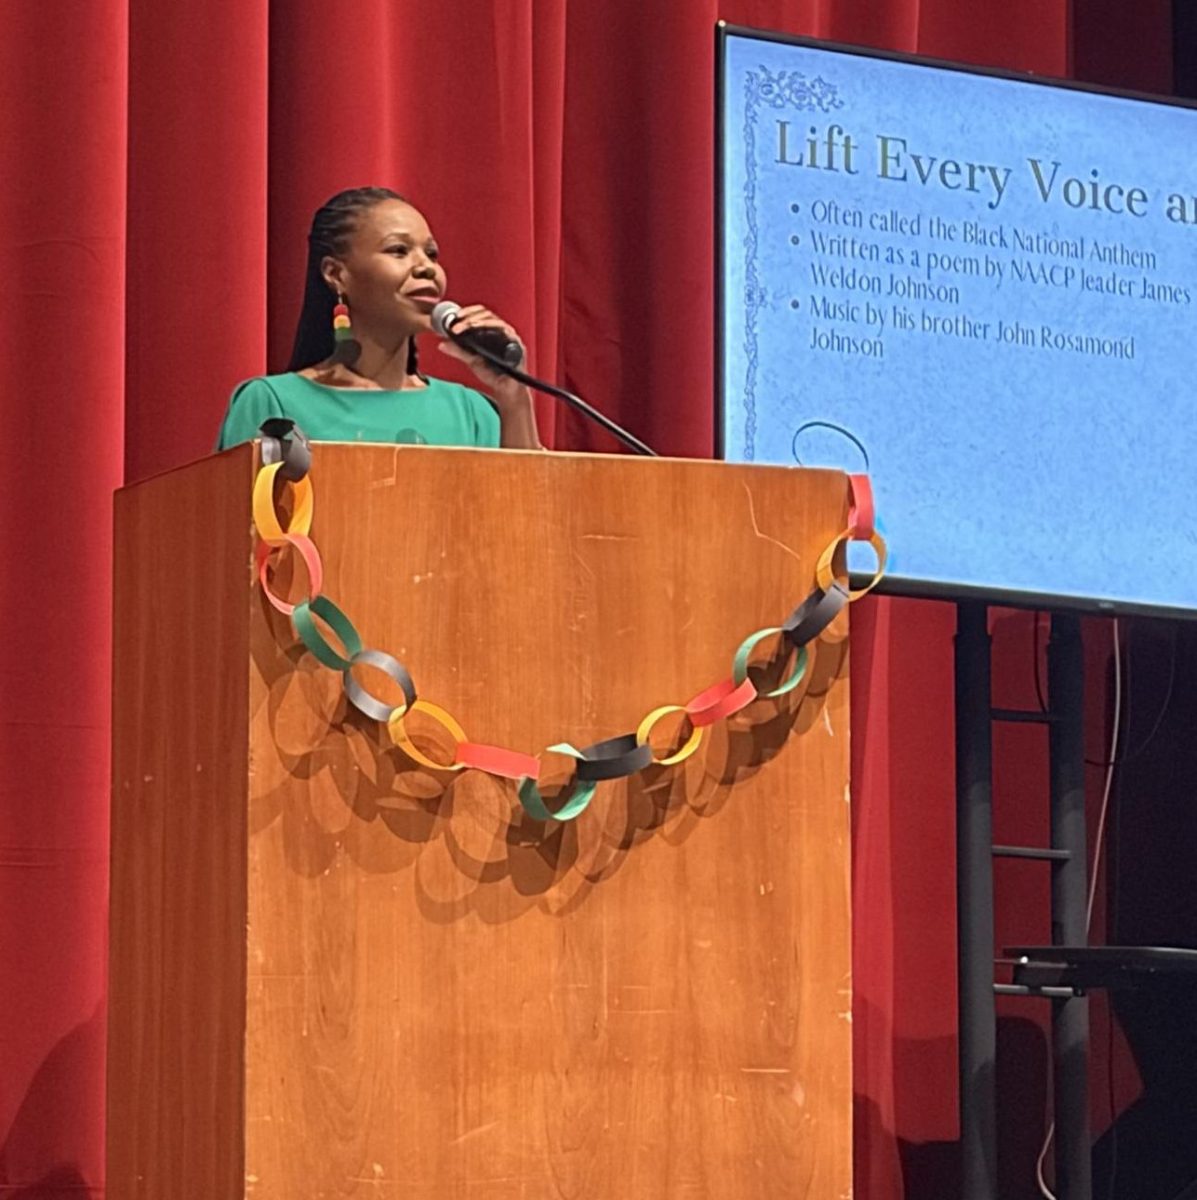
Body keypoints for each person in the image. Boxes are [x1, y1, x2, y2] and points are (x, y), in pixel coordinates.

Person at [215, 186, 542, 451]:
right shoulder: (275, 402)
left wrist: (514, 396)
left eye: (431, 253)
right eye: (398, 250)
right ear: (336, 274)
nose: (426, 267)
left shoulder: (472, 412)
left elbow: (530, 520)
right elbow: (239, 523)